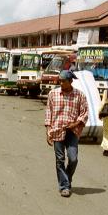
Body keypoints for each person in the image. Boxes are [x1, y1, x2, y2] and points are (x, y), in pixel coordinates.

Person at [45, 70, 88, 198]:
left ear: (70, 81)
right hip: (57, 130)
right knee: (60, 159)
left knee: (73, 159)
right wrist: (48, 131)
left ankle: (67, 178)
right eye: (60, 81)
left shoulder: (79, 95)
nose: (61, 83)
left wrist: (75, 124)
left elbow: (84, 113)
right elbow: (48, 112)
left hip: (72, 132)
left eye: (63, 81)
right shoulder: (53, 94)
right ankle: (64, 186)